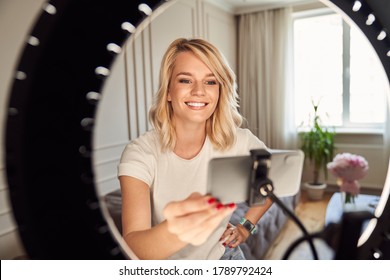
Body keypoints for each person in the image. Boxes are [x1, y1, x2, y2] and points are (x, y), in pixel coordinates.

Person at [118, 38, 273, 260]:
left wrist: (246, 226)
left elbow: (276, 179)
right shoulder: (140, 154)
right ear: (169, 92)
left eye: (210, 82)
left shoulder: (241, 141)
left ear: (220, 91)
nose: (199, 91)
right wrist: (183, 228)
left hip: (225, 257)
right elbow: (134, 247)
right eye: (185, 80)